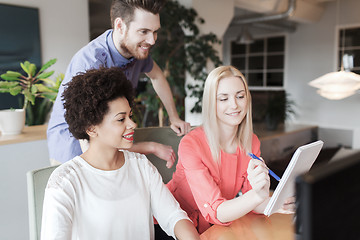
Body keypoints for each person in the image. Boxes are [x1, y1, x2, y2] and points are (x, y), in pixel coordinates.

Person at [41, 67, 200, 240]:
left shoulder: (140, 165)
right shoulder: (65, 181)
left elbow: (174, 217)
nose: (132, 124)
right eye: (121, 119)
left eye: (130, 116)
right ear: (91, 128)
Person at [47, 0, 191, 164]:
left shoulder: (136, 50)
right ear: (120, 26)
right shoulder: (91, 62)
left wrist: (174, 117)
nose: (152, 40)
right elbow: (93, 142)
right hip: (75, 145)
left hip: (110, 141)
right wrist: (151, 147)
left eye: (155, 32)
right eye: (143, 31)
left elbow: (157, 76)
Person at [167, 65, 272, 234]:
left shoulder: (252, 142)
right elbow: (216, 211)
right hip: (174, 226)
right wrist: (257, 196)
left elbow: (252, 200)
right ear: (211, 103)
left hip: (217, 227)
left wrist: (278, 204)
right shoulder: (191, 144)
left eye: (240, 96)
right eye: (223, 99)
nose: (235, 105)